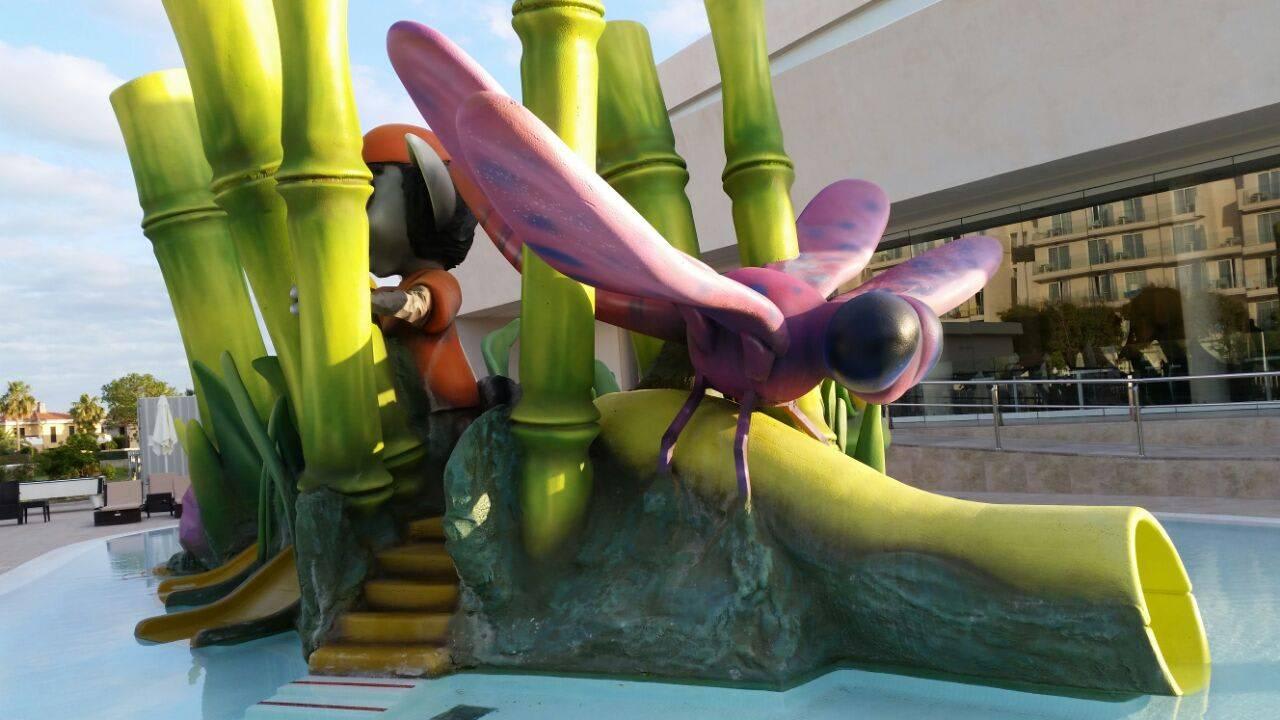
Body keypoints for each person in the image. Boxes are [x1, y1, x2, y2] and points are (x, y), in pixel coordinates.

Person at [362, 123, 481, 413]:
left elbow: (418, 306)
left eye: (368, 198)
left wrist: (361, 301)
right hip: (415, 411)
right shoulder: (392, 290)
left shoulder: (438, 282)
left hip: (448, 412)